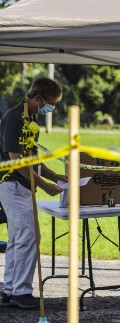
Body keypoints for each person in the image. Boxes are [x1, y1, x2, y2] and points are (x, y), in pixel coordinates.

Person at [0, 77, 67, 309]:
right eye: (50, 102)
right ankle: (22, 291)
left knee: (18, 239)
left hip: (24, 185)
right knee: (29, 237)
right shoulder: (14, 119)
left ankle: (9, 290)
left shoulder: (31, 119)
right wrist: (45, 185)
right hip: (12, 184)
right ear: (38, 98)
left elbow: (33, 159)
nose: (51, 108)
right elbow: (16, 162)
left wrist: (56, 176)